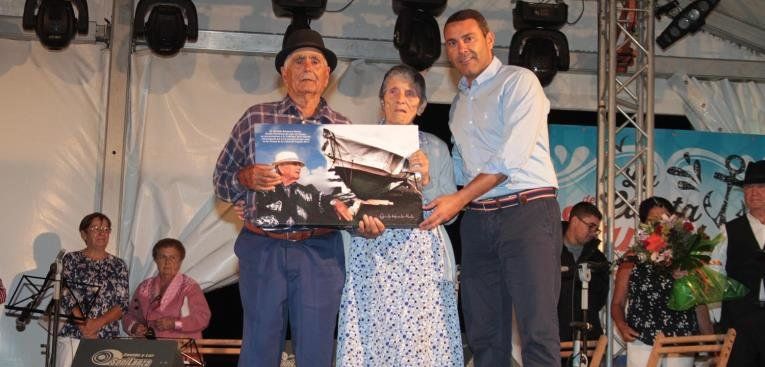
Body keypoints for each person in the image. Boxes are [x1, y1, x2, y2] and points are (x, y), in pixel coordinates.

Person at [213, 28, 383, 367]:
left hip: (319, 253)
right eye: (299, 60)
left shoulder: (342, 128)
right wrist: (245, 177)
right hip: (263, 248)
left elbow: (349, 202)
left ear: (327, 75)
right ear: (284, 73)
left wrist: (364, 221)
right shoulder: (255, 118)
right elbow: (221, 181)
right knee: (259, 349)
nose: (307, 66)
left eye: (315, 61)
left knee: (317, 351)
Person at [420, 9, 562, 367]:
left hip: (527, 212)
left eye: (468, 38)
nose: (461, 48)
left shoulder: (519, 81)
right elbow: (460, 168)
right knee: (485, 335)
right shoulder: (458, 103)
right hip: (479, 221)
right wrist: (418, 175)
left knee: (537, 330)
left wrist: (458, 199)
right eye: (452, 43)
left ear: (488, 39)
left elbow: (509, 158)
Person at [335, 64, 463, 366]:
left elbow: (452, 216)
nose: (401, 99)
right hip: (371, 258)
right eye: (393, 91)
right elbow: (343, 208)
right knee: (371, 341)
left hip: (423, 265)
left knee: (421, 348)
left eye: (410, 93)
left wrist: (427, 181)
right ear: (382, 102)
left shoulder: (436, 148)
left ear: (421, 106)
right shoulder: (356, 145)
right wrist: (358, 226)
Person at [612, 197, 712, 367]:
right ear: (643, 225)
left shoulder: (686, 256)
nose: (659, 225)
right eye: (653, 221)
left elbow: (699, 301)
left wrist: (709, 339)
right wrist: (622, 326)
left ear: (673, 222)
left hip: (682, 337)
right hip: (642, 336)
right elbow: (617, 302)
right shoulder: (631, 259)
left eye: (664, 219)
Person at [56, 212, 129, 367]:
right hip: (74, 334)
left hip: (106, 336)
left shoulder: (118, 265)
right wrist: (84, 327)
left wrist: (97, 323)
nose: (102, 232)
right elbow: (66, 295)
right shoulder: (71, 259)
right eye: (95, 228)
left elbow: (122, 304)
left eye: (106, 229)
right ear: (84, 234)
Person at [712, 160, 765, 366]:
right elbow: (715, 272)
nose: (754, 193)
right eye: (749, 188)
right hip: (740, 321)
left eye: (761, 187)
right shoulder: (729, 230)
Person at [123, 238, 211, 339]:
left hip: (182, 349)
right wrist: (135, 327)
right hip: (150, 348)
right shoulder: (144, 287)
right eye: (162, 257)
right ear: (156, 260)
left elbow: (202, 318)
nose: (167, 262)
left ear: (180, 261)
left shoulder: (190, 287)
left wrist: (174, 324)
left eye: (172, 257)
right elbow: (130, 315)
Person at [253, 150, 352, 227]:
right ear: (281, 167)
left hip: (304, 242)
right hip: (271, 241)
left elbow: (324, 198)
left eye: (299, 165)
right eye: (295, 164)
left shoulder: (308, 190)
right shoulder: (263, 189)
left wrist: (336, 202)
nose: (299, 167)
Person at [558, 202, 608, 347]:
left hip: (588, 336)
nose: (593, 232)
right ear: (574, 221)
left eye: (596, 229)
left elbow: (601, 298)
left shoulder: (598, 258)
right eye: (590, 226)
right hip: (553, 334)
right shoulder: (549, 250)